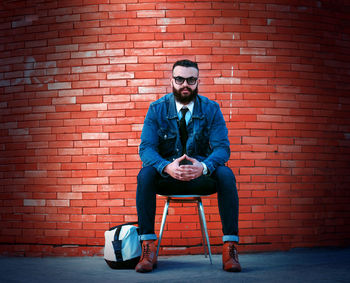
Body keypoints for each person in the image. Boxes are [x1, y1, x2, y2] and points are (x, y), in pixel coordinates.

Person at [135, 59, 241, 273]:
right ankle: (147, 247)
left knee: (226, 174)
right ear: (172, 80)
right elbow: (145, 148)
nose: (185, 84)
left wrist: (203, 166)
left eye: (191, 79)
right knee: (145, 174)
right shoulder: (156, 109)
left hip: (200, 178)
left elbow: (222, 148)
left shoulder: (211, 109)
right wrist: (166, 167)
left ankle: (230, 248)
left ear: (197, 81)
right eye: (180, 79)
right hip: (168, 178)